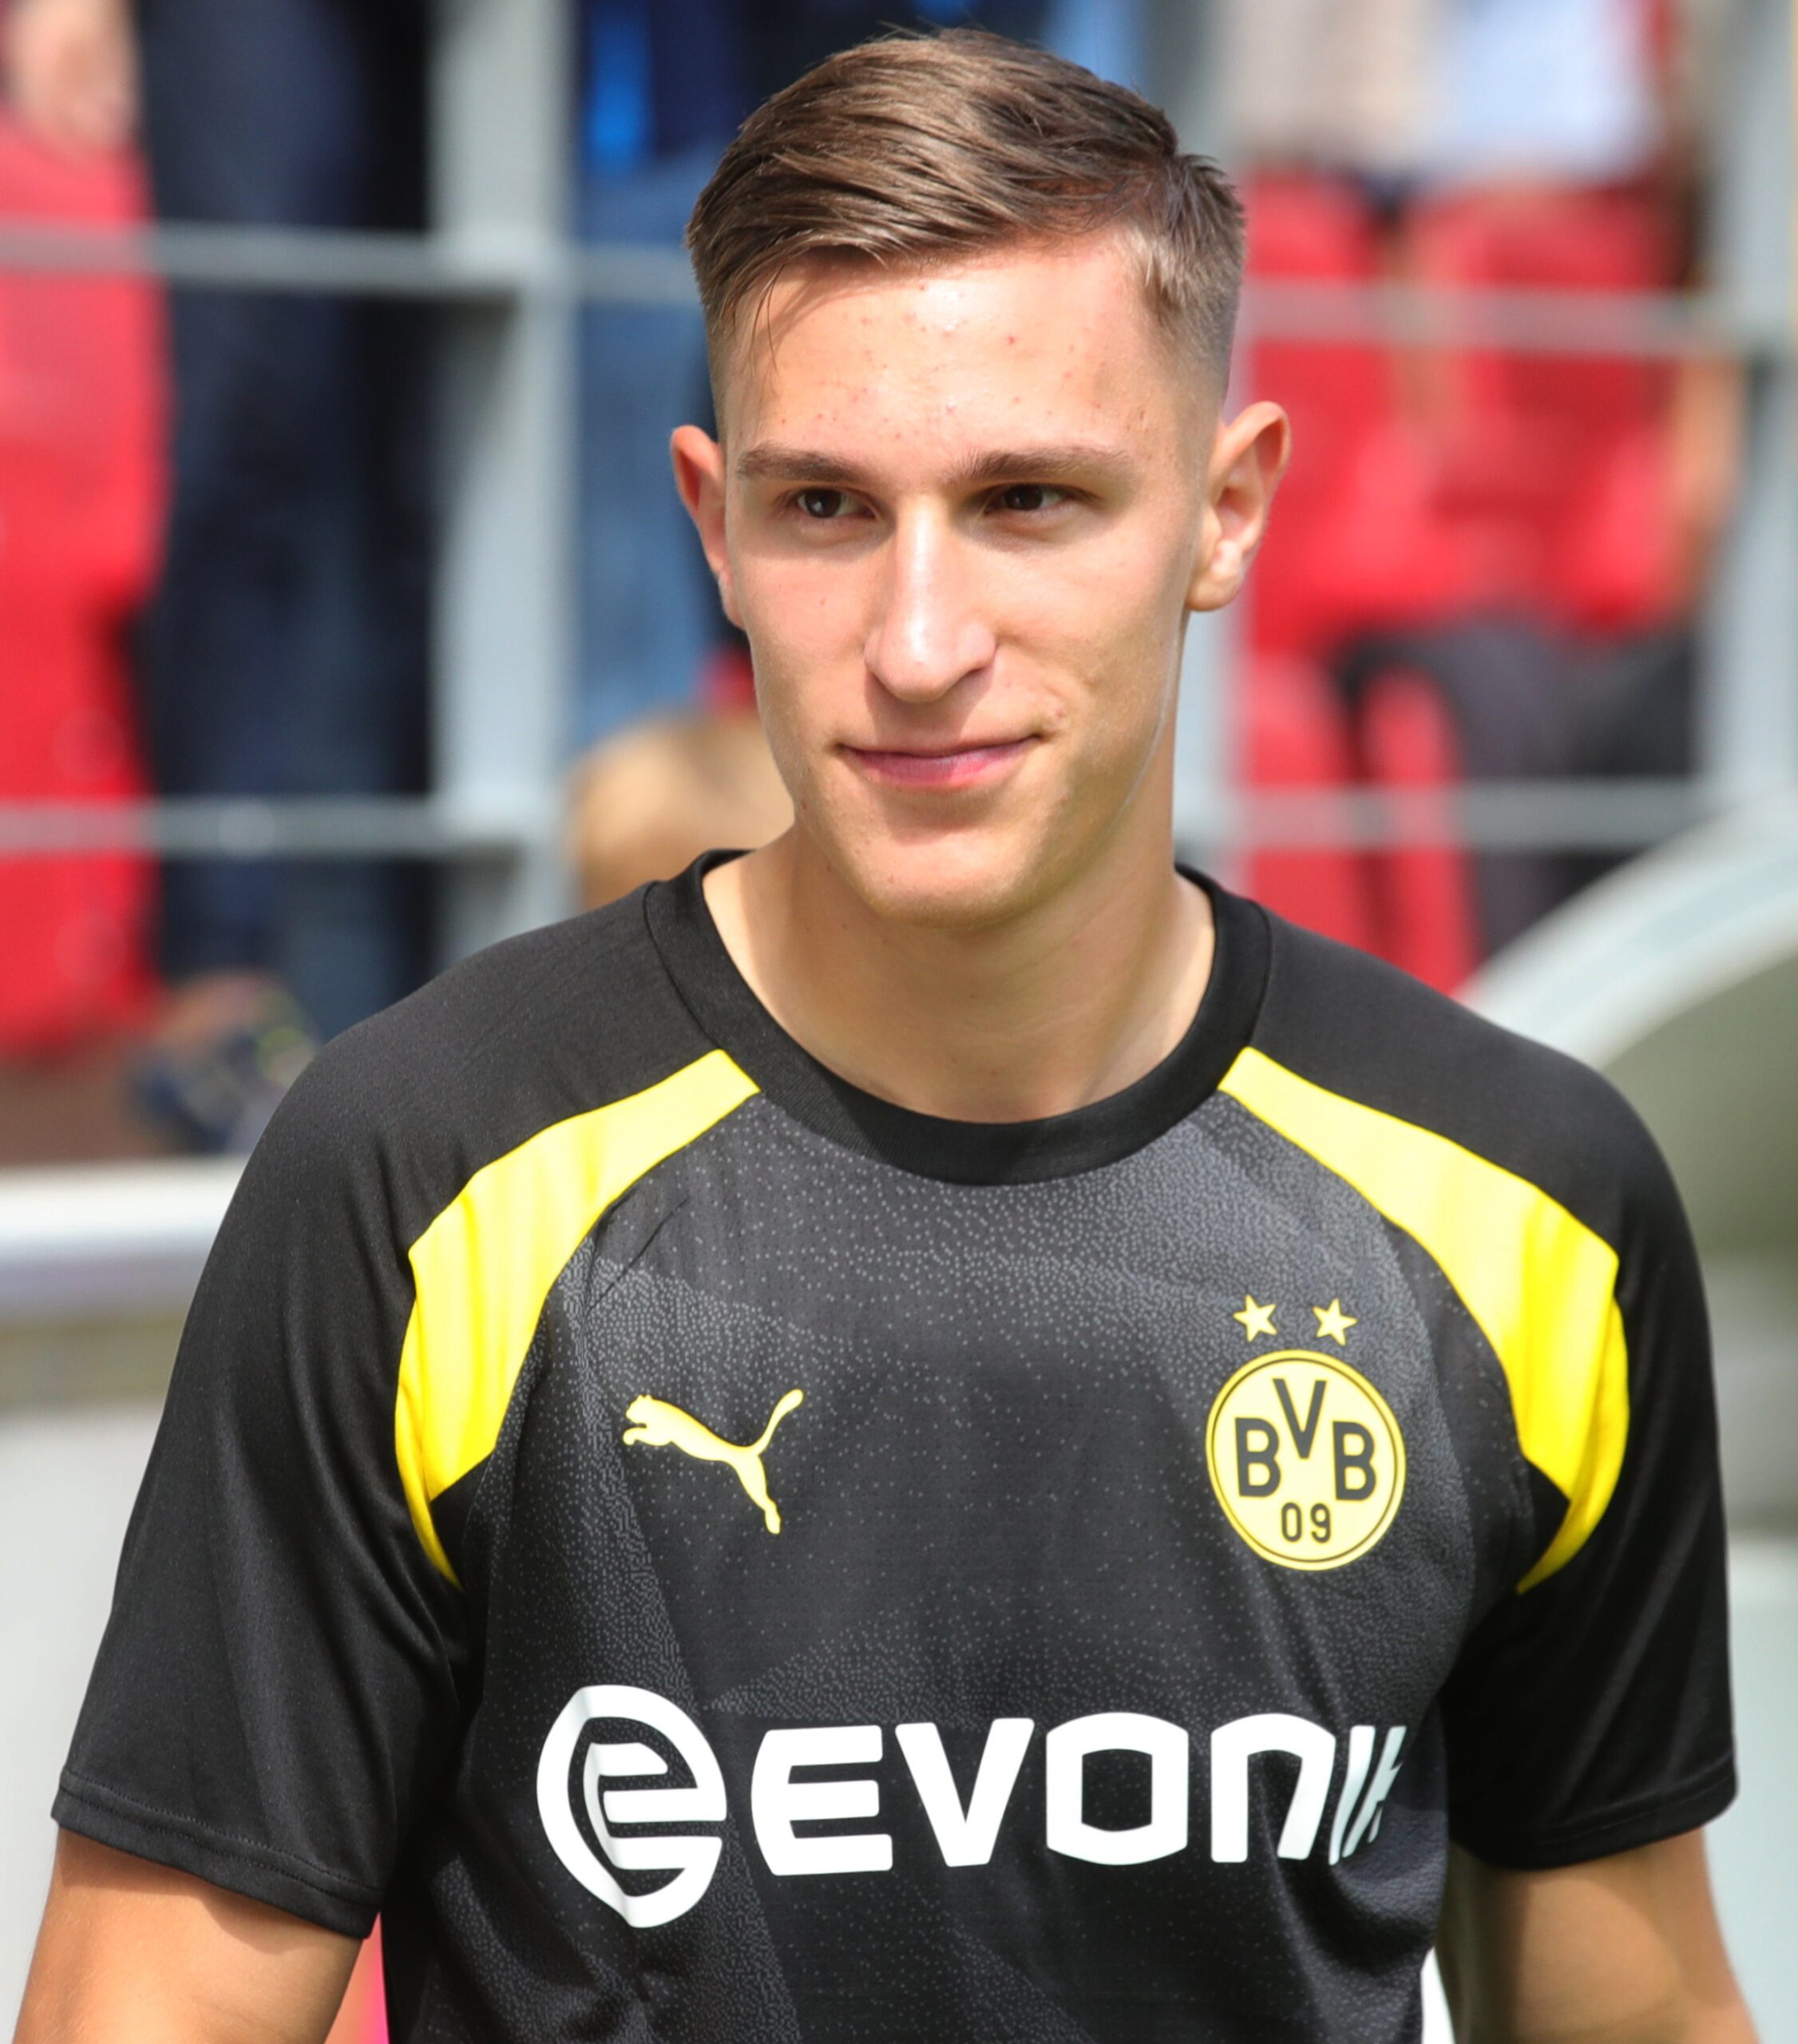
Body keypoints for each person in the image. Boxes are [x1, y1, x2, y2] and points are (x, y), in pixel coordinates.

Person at [17, 30, 1751, 2043]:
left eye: (1028, 500)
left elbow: (1636, 2010)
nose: (920, 644)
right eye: (828, 506)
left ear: (1227, 508)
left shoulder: (1525, 1206)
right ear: (712, 523)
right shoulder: (418, 1170)